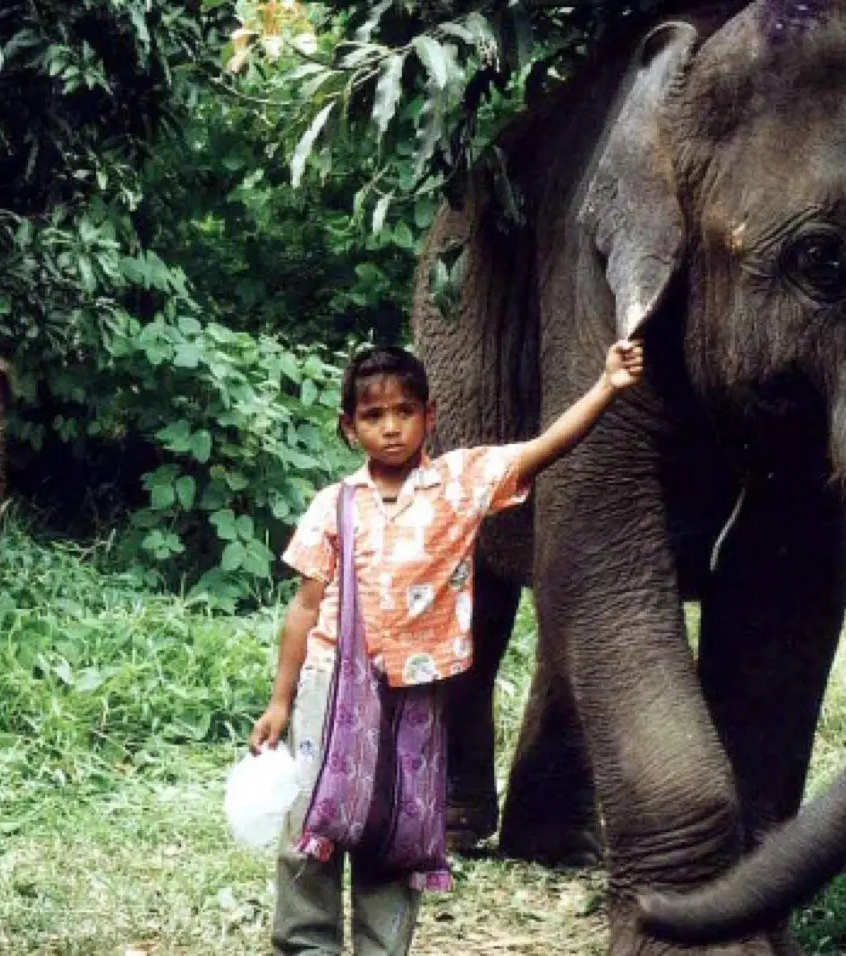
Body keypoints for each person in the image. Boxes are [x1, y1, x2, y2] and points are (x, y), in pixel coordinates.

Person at [248, 339, 645, 955]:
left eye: (404, 411)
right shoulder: (334, 505)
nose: (390, 428)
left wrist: (608, 385)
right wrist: (280, 701)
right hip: (331, 685)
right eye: (373, 416)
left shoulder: (459, 482)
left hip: (418, 693)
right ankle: (305, 944)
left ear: (428, 416)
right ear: (349, 427)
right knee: (313, 819)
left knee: (398, 828)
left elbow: (544, 450)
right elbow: (304, 607)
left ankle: (383, 947)